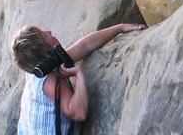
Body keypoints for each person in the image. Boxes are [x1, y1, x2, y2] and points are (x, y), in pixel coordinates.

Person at [12, 23, 146, 134]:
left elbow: (85, 46)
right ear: (45, 50)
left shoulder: (39, 66)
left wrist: (120, 28)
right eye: (45, 35)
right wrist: (79, 75)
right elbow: (78, 113)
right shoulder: (51, 81)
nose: (49, 31)